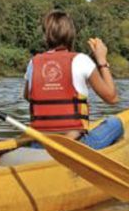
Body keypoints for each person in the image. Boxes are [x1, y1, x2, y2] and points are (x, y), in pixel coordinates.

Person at [23, 10, 123, 150]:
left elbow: (28, 96)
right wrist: (102, 60)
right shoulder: (81, 60)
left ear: (46, 36)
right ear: (71, 35)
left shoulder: (33, 63)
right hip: (75, 145)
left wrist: (51, 91)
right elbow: (112, 98)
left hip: (41, 142)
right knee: (116, 122)